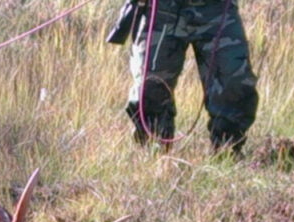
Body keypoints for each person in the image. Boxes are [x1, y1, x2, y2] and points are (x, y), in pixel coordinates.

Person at [110, 0, 259, 154]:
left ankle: (227, 151)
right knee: (149, 88)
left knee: (234, 84)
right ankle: (154, 153)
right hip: (162, 9)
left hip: (217, 9)